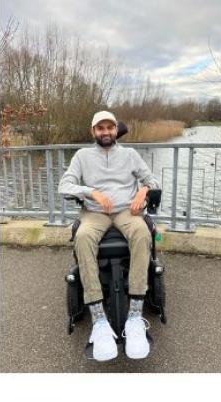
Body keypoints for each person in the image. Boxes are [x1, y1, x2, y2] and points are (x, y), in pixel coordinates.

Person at [58, 110, 162, 361]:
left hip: (127, 210)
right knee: (82, 237)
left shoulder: (129, 155)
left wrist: (144, 191)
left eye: (109, 127)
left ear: (116, 129)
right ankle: (99, 321)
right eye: (100, 128)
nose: (105, 132)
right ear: (93, 131)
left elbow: (153, 180)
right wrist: (90, 192)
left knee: (141, 231)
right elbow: (64, 186)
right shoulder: (82, 156)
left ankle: (135, 316)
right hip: (95, 213)